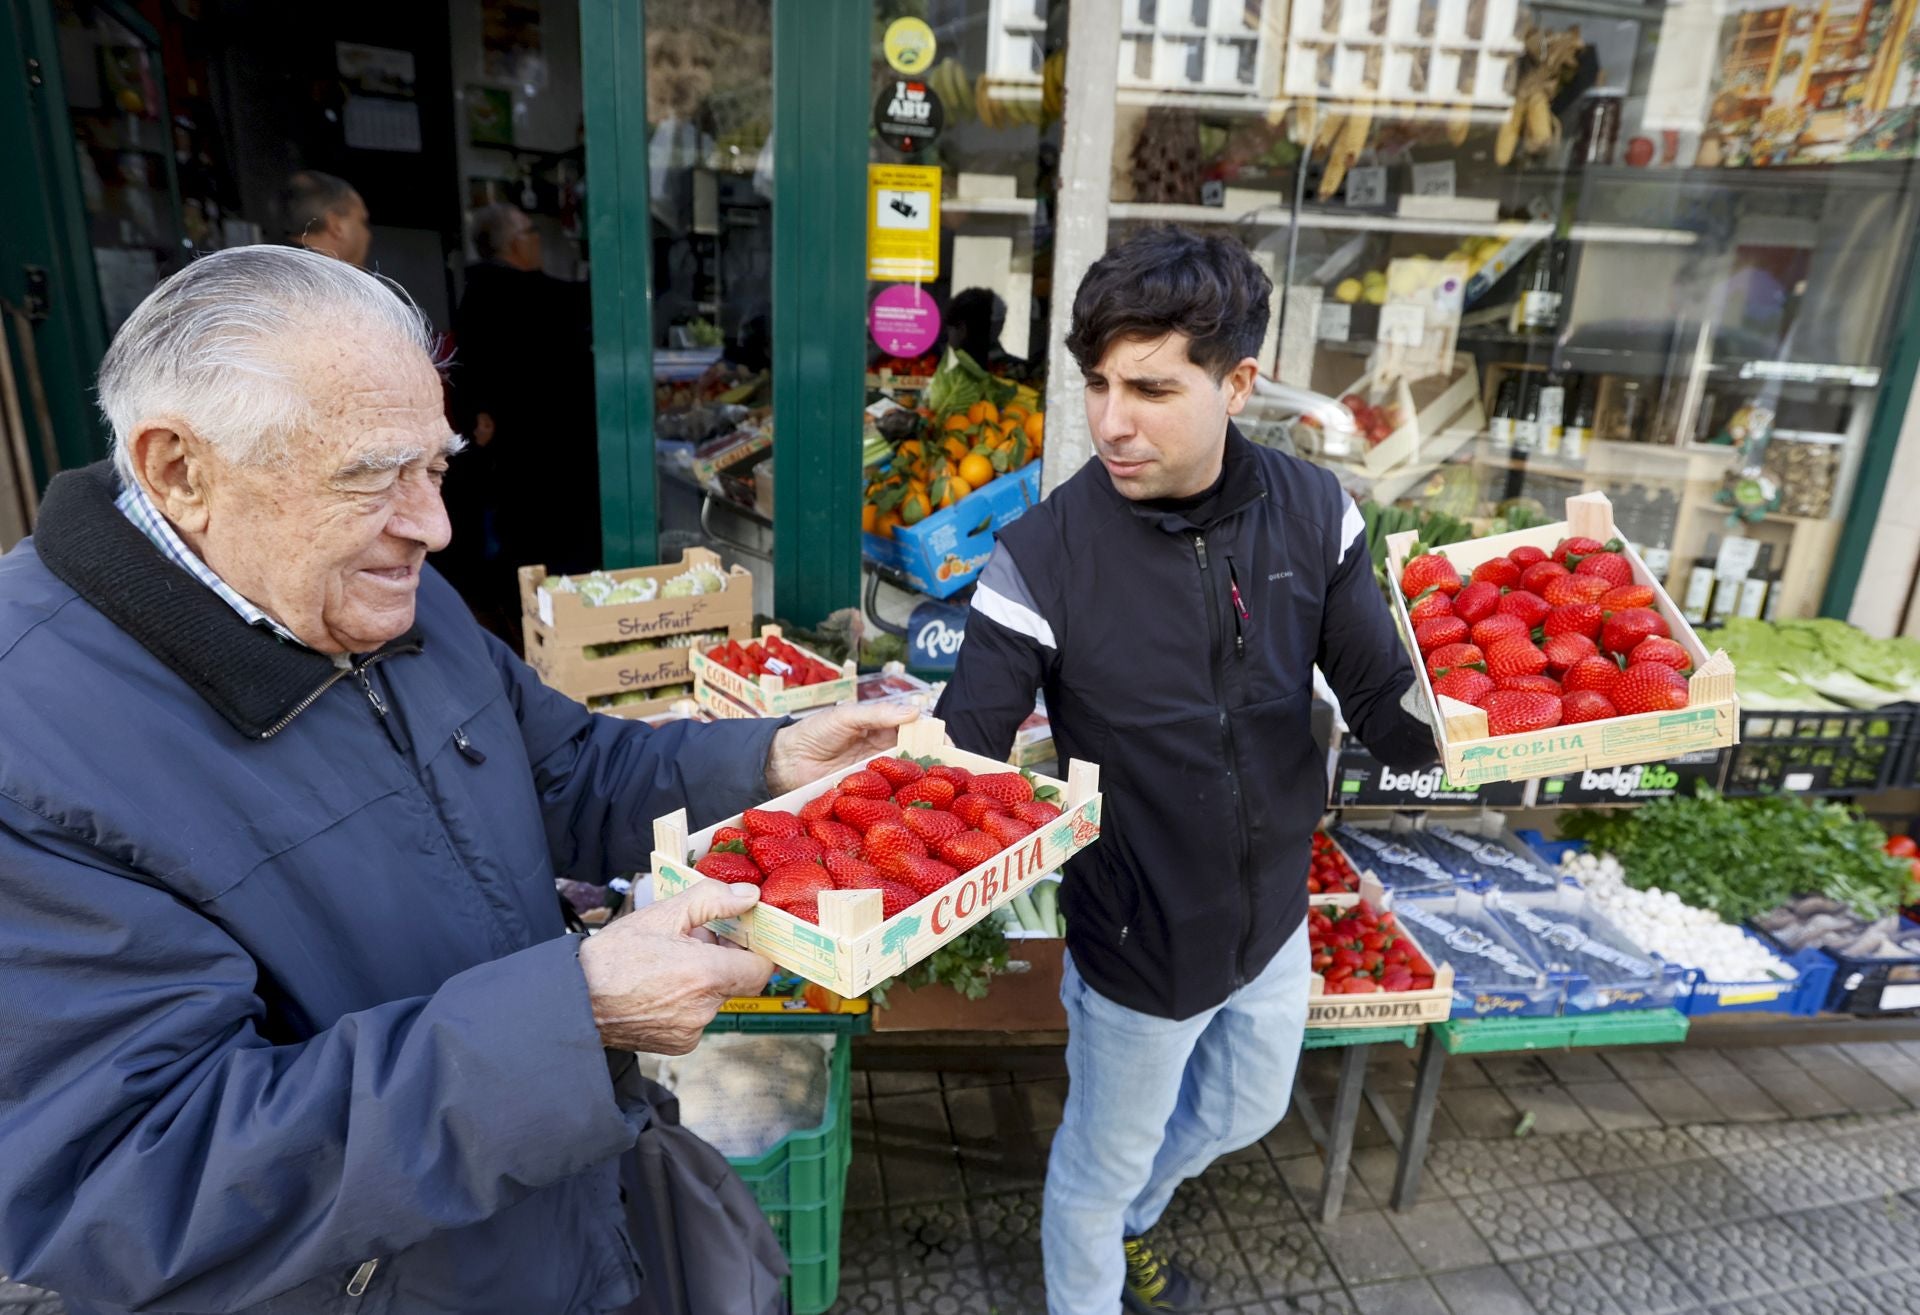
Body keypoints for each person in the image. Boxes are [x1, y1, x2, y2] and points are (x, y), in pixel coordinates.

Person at [0, 245, 914, 1315]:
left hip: (559, 1220)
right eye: (371, 475)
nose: (431, 525)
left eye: (434, 466)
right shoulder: (33, 752)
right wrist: (575, 1020)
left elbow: (565, 768)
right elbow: (135, 1179)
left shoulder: (382, 589)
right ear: (179, 472)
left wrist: (763, 760)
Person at [933, 228, 1437, 1315]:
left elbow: (1379, 692)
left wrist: (1455, 736)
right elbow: (961, 752)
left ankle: (1128, 1225)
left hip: (1272, 913)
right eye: (1100, 383)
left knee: (1245, 1111)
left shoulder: (1314, 510)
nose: (1111, 420)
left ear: (1238, 383)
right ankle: (1095, 1266)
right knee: (1093, 1166)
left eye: (1152, 388)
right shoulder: (1043, 554)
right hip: (1137, 935)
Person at [445, 203, 601, 621]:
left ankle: (532, 622)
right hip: (545, 458)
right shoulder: (520, 293)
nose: (537, 241)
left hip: (515, 459)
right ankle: (555, 625)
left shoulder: (479, 292)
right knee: (550, 555)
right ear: (516, 243)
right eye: (532, 232)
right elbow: (588, 301)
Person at [278, 168, 371, 267]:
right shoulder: (320, 277)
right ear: (335, 226)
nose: (368, 235)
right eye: (363, 222)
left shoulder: (267, 265)